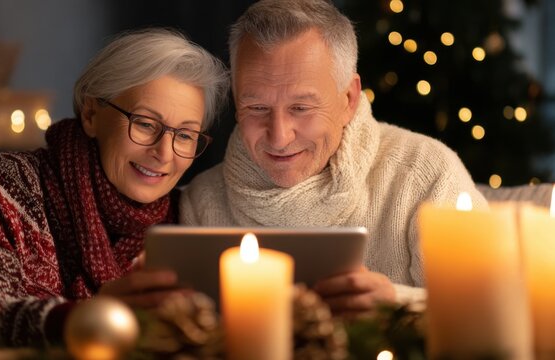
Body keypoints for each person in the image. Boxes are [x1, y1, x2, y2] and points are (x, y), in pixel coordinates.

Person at [0, 28, 229, 349]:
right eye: (146, 124)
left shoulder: (189, 218)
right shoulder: (12, 183)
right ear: (92, 114)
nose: (165, 153)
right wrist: (88, 318)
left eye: (185, 135)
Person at [180, 0, 487, 317]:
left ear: (349, 99)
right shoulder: (202, 202)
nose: (279, 136)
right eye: (257, 108)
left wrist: (397, 302)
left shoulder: (426, 176)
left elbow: (488, 311)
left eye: (301, 108)